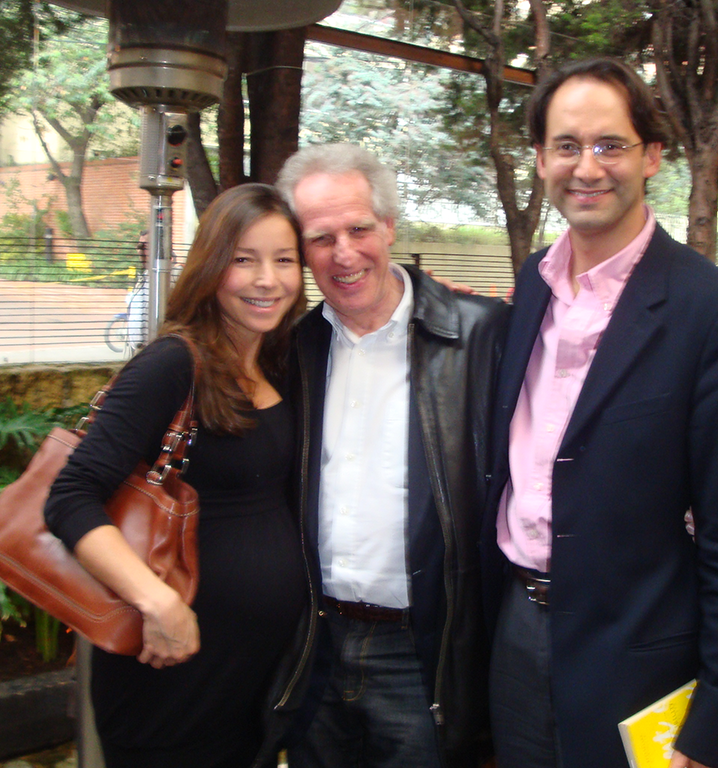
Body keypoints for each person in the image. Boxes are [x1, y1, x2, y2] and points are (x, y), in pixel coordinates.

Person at [482, 57, 718, 768]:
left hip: (635, 655)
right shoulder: (533, 284)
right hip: (516, 634)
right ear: (540, 160)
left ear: (651, 156)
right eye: (567, 145)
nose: (588, 167)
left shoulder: (715, 313)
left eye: (610, 145)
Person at [44, 184, 310, 768]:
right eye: (244, 259)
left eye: (284, 260)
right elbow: (70, 497)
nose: (267, 279)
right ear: (211, 265)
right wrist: (158, 603)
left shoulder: (278, 362)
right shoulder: (173, 363)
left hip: (253, 687)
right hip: (173, 678)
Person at [275, 143, 509, 768]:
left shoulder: (480, 335)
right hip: (313, 647)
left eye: (358, 229)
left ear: (389, 227)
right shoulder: (287, 354)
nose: (344, 254)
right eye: (321, 238)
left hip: (423, 653)